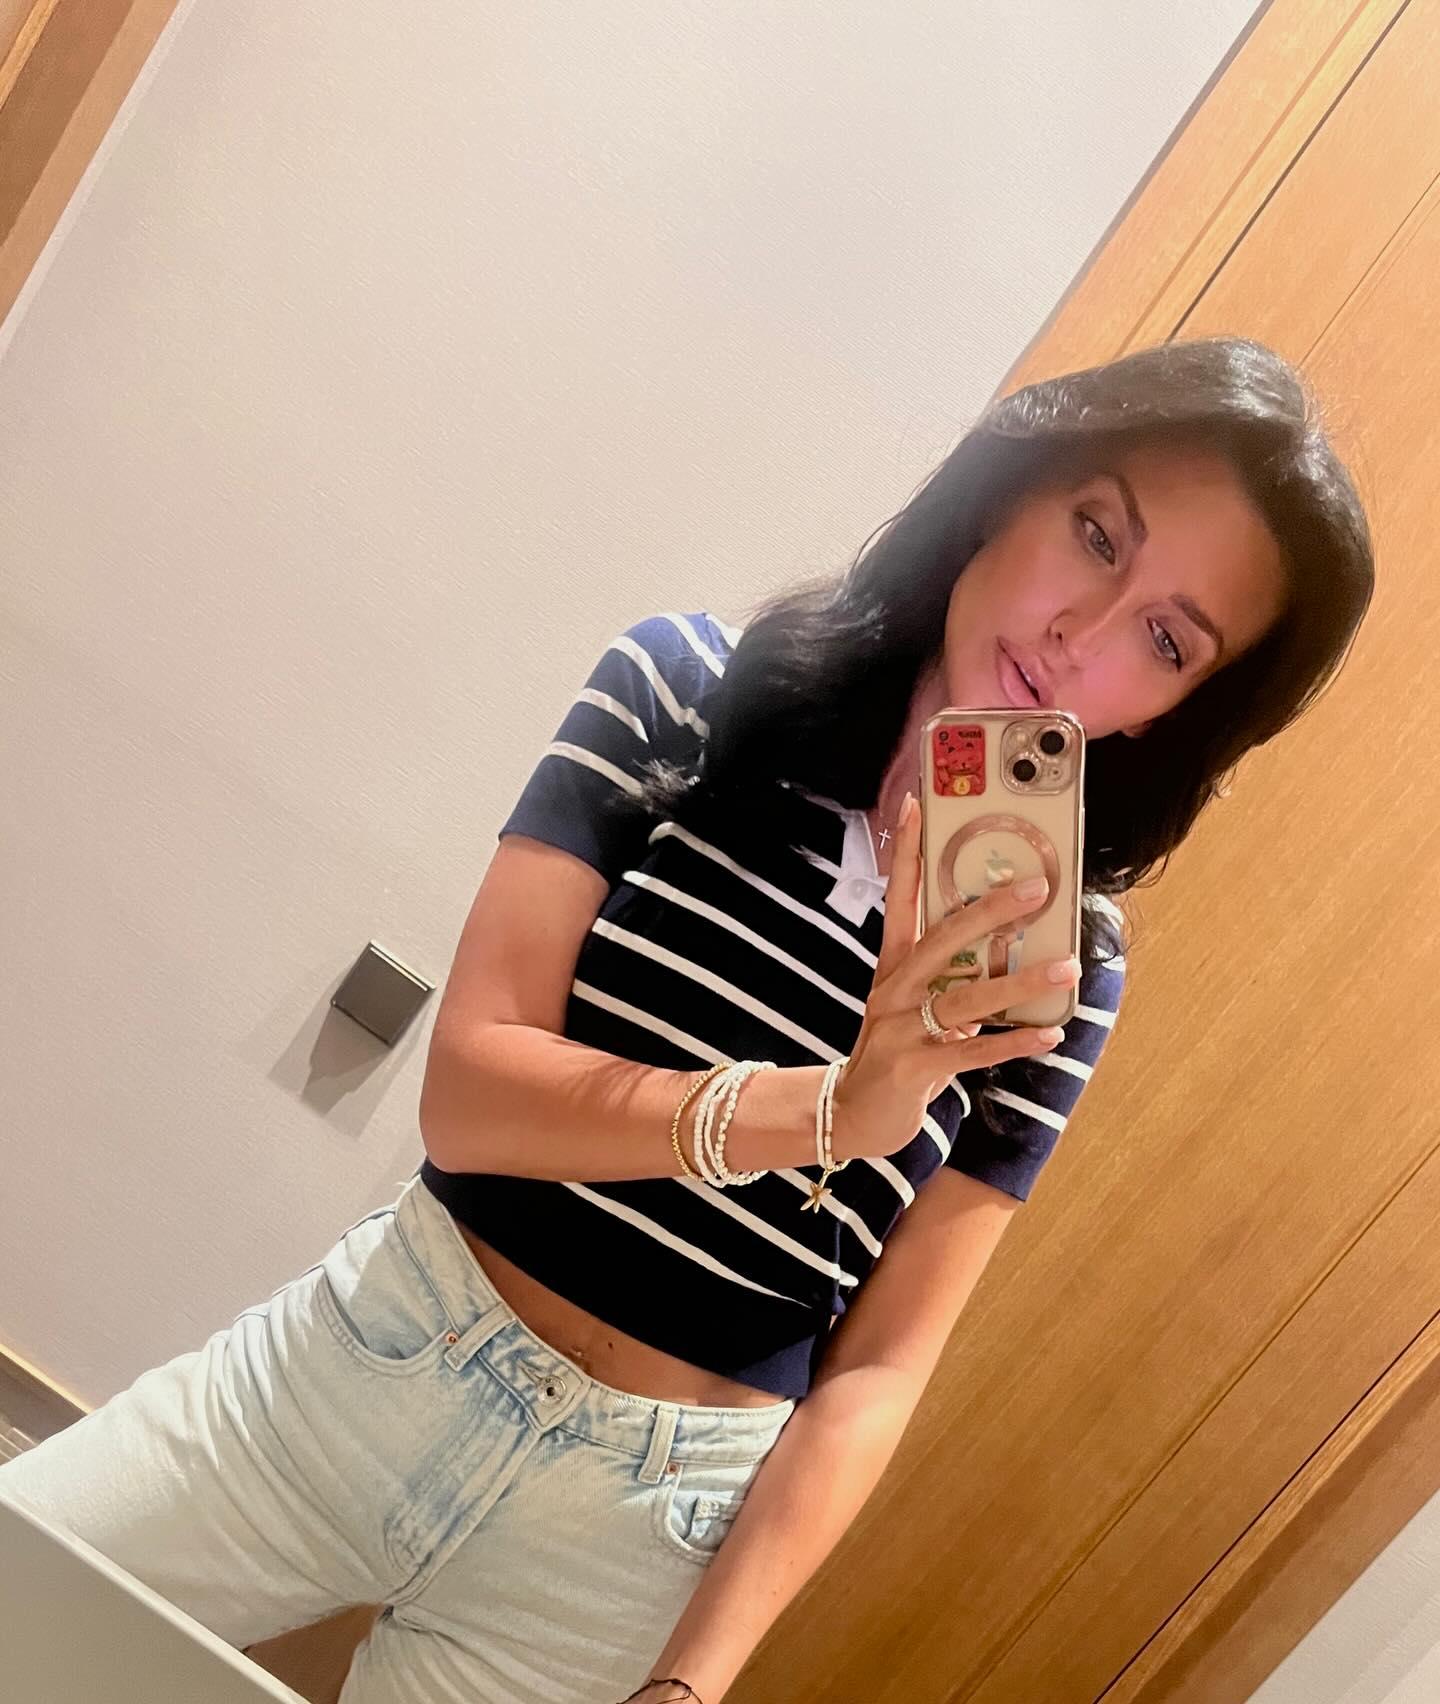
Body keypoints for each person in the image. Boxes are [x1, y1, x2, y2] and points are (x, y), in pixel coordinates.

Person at [0, 337, 1373, 1704]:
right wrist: (830, 1110)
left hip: (638, 1539)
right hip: (377, 1356)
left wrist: (695, 1683)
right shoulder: (688, 691)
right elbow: (469, 1094)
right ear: (1012, 486)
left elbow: (881, 1370)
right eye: (1097, 534)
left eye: (1167, 639)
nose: (1086, 629)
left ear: (1177, 711)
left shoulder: (1062, 970)